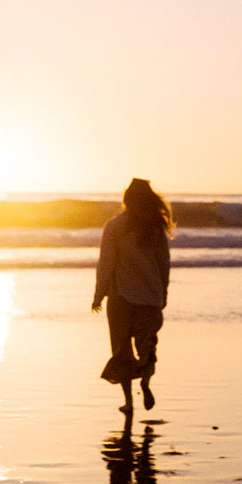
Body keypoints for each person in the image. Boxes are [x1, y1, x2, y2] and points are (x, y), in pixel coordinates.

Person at [92, 178, 173, 415]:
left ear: (126, 199)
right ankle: (146, 382)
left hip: (120, 298)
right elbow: (163, 264)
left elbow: (106, 263)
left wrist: (98, 295)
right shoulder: (155, 226)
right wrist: (163, 293)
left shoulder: (115, 226)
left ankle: (129, 402)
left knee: (121, 351)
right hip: (150, 298)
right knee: (147, 347)